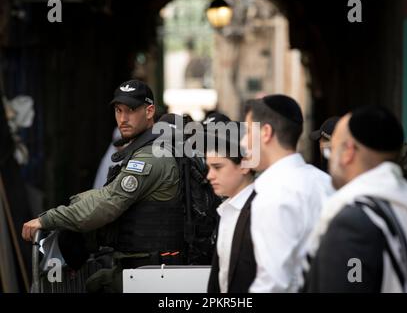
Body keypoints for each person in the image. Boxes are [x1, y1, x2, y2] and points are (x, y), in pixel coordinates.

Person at [22, 80, 183, 292]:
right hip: (142, 267)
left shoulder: (150, 156)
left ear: (149, 111)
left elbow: (106, 204)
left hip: (152, 272)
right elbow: (106, 195)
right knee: (96, 283)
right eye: (118, 110)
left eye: (131, 110)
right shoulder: (145, 148)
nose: (123, 119)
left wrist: (48, 219)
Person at [304, 105, 407, 293]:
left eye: (332, 150)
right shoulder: (403, 204)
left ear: (348, 152)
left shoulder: (352, 224)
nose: (329, 161)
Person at [241, 94, 333, 292]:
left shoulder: (273, 195)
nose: (243, 142)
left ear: (266, 132)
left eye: (248, 131)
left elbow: (273, 283)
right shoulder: (324, 182)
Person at [205, 122, 256, 293]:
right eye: (208, 167)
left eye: (217, 167)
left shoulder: (261, 210)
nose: (209, 176)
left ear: (244, 165)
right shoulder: (226, 210)